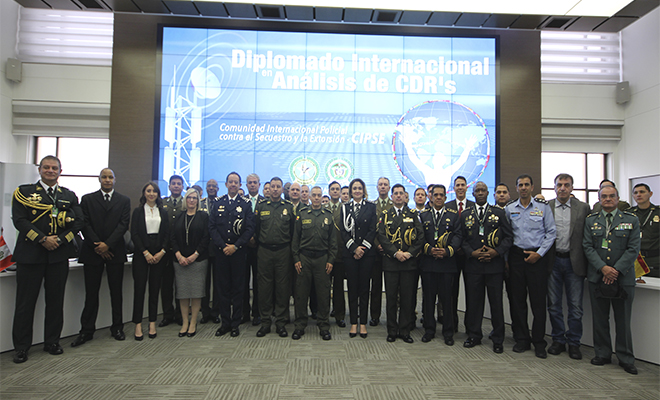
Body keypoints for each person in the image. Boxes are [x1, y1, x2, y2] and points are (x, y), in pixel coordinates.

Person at [11, 156, 84, 364]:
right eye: (46, 167)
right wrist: (42, 239)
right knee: (25, 304)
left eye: (54, 168)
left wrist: (60, 240)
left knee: (55, 302)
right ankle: (21, 347)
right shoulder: (24, 193)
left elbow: (78, 222)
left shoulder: (68, 195)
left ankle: (52, 342)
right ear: (40, 169)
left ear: (60, 171)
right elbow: (20, 220)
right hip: (31, 255)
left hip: (58, 256)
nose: (50, 170)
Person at [583, 185, 640, 375]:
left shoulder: (631, 220)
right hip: (597, 276)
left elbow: (633, 249)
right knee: (600, 318)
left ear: (618, 198)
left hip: (623, 278)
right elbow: (587, 247)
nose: (608, 199)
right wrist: (603, 268)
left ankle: (626, 358)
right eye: (604, 196)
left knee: (623, 320)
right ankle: (602, 353)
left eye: (611, 196)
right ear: (599, 199)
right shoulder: (591, 221)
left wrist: (615, 270)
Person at [72, 168, 131, 347]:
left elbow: (123, 225)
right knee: (91, 294)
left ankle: (117, 327)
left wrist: (108, 245)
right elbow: (84, 224)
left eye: (110, 177)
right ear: (99, 179)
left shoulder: (124, 200)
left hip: (115, 251)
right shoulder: (87, 199)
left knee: (116, 292)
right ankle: (87, 330)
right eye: (104, 177)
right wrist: (99, 245)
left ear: (115, 180)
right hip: (93, 251)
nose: (107, 180)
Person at [505, 174, 556, 358]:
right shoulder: (510, 208)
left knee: (538, 303)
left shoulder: (543, 208)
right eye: (521, 185)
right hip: (516, 257)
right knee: (518, 301)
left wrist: (539, 253)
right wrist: (506, 260)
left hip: (537, 258)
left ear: (532, 187)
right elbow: (506, 235)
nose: (524, 188)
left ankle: (539, 342)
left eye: (527, 184)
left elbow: (551, 233)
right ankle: (522, 339)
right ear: (516, 188)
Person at [460, 182, 513, 353]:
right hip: (473, 266)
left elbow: (508, 237)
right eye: (478, 191)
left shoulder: (498, 213)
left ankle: (498, 339)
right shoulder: (466, 214)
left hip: (494, 266)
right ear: (473, 194)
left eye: (483, 190)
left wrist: (496, 252)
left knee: (496, 303)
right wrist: (472, 253)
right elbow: (461, 238)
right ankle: (474, 335)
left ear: (488, 193)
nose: (481, 193)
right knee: (474, 303)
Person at [546, 173, 591, 360]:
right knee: (554, 305)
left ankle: (574, 342)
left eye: (566, 185)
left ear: (572, 187)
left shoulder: (583, 208)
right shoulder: (547, 207)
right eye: (559, 185)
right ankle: (558, 340)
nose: (562, 188)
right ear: (554, 187)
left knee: (575, 306)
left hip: (575, 262)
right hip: (553, 261)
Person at [209, 172, 255, 337]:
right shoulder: (218, 202)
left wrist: (235, 246)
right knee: (222, 288)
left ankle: (235, 323)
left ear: (240, 185)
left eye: (236, 182)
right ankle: (225, 323)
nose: (233, 184)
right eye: (231, 182)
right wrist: (223, 246)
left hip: (238, 253)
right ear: (226, 184)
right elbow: (212, 227)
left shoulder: (246, 204)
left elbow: (249, 228)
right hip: (222, 253)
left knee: (238, 289)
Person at [378, 184, 424, 343]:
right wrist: (395, 253)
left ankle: (405, 330)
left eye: (401, 193)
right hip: (391, 262)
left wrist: (409, 253)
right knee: (391, 298)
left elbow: (420, 236)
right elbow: (382, 236)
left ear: (405, 196)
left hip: (408, 263)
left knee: (406, 298)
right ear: (391, 197)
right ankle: (392, 330)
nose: (398, 196)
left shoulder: (413, 214)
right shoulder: (385, 215)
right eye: (396, 193)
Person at [291, 186, 337, 340]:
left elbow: (333, 242)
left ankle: (324, 326)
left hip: (322, 259)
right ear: (309, 197)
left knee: (323, 294)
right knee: (301, 294)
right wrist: (296, 259)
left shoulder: (328, 215)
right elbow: (295, 239)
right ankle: (299, 325)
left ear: (322, 197)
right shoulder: (302, 214)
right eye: (314, 195)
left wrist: (331, 260)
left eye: (319, 195)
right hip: (304, 258)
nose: (316, 198)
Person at [419, 184, 461, 345]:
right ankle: (429, 330)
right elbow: (419, 236)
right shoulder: (423, 215)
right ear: (430, 196)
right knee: (428, 299)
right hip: (428, 263)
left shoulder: (453, 215)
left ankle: (448, 332)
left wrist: (448, 251)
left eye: (441, 195)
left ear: (445, 197)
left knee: (447, 300)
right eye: (435, 195)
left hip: (447, 264)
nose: (438, 197)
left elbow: (458, 235)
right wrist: (429, 249)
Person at [254, 177, 295, 337]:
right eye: (273, 186)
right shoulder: (261, 206)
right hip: (264, 251)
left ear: (282, 189)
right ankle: (265, 322)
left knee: (282, 288)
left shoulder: (289, 207)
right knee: (264, 288)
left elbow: (293, 231)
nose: (276, 189)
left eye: (278, 186)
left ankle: (280, 323)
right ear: (268, 189)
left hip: (283, 251)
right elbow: (257, 229)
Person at [338, 178, 377, 338]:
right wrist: (354, 248)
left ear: (364, 190)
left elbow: (373, 229)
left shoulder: (371, 207)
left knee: (364, 289)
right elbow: (343, 230)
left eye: (360, 188)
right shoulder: (344, 207)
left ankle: (363, 323)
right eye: (354, 188)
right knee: (352, 289)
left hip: (367, 254)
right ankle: (354, 323)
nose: (357, 191)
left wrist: (363, 248)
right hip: (350, 254)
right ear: (350, 191)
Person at [130, 182, 169, 341]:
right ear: (144, 193)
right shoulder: (138, 211)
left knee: (154, 290)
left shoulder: (163, 212)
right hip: (142, 254)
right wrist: (145, 252)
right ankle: (138, 324)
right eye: (148, 191)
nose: (151, 193)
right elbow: (134, 233)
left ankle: (152, 322)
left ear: (158, 194)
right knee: (139, 290)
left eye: (154, 191)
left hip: (159, 254)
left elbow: (167, 233)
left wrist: (162, 252)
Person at [171, 188, 210, 337]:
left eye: (194, 198)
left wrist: (195, 255)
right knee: (183, 293)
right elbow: (172, 237)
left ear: (198, 201)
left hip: (198, 260)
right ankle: (184, 323)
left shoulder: (203, 216)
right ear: (185, 200)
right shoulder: (179, 216)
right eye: (189, 198)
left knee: (196, 292)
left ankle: (193, 322)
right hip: (180, 260)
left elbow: (206, 237)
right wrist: (178, 255)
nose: (192, 200)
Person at [445, 176, 475, 332]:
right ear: (454, 188)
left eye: (463, 185)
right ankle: (452, 325)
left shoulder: (474, 206)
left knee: (471, 292)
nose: (460, 187)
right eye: (457, 185)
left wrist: (467, 248)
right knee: (451, 292)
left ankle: (470, 326)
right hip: (452, 255)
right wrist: (454, 246)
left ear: (467, 187)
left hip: (470, 256)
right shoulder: (447, 206)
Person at [160, 175, 186, 327]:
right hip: (165, 250)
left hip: (181, 251)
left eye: (179, 184)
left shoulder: (186, 203)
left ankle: (179, 314)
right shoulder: (162, 203)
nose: (176, 186)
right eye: (173, 184)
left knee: (180, 285)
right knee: (166, 284)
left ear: (182, 187)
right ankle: (167, 314)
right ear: (169, 186)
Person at [371, 177, 393, 326]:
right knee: (376, 286)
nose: (383, 187)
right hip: (376, 252)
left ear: (389, 188)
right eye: (380, 184)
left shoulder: (394, 205)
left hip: (391, 253)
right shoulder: (372, 206)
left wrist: (389, 247)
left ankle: (392, 316)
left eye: (385, 184)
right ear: (377, 187)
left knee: (392, 287)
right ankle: (375, 316)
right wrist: (377, 244)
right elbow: (370, 229)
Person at [244, 173, 264, 325]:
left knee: (259, 282)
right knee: (243, 281)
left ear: (259, 184)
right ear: (246, 185)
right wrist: (247, 238)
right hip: (243, 247)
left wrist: (255, 238)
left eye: (254, 182)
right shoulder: (241, 201)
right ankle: (244, 312)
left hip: (259, 247)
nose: (252, 185)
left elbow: (266, 225)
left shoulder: (265, 202)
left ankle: (257, 313)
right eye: (250, 182)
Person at [200, 179, 220, 324]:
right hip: (204, 248)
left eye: (214, 186)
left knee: (218, 282)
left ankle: (216, 312)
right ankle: (205, 312)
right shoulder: (200, 204)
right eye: (209, 186)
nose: (211, 188)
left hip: (218, 247)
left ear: (218, 188)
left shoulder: (221, 203)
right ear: (206, 188)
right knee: (204, 282)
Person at [326, 181, 346, 327]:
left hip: (340, 254)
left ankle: (339, 316)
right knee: (324, 288)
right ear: (329, 191)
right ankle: (324, 315)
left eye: (337, 189)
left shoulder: (345, 209)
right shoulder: (323, 208)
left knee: (338, 287)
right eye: (332, 189)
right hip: (325, 255)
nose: (334, 191)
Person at [628, 183, 659, 277]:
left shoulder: (658, 212)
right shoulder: (628, 214)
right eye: (636, 193)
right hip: (635, 260)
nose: (638, 195)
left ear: (650, 194)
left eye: (642, 192)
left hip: (655, 259)